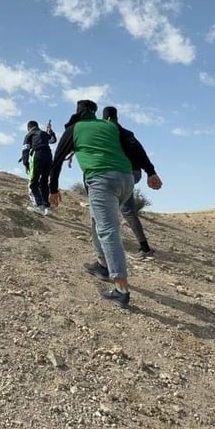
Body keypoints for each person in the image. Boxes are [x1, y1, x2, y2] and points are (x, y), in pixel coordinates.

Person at [48, 100, 137, 309]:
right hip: (127, 179)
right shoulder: (109, 126)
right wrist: (150, 171)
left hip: (102, 179)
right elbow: (134, 145)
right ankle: (102, 266)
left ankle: (121, 289)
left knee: (107, 230)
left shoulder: (75, 128)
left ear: (77, 113)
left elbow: (57, 158)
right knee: (98, 221)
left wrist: (53, 189)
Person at [102, 106, 162, 260]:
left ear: (106, 118)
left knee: (121, 208)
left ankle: (144, 248)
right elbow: (140, 151)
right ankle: (143, 247)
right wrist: (151, 172)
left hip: (121, 172)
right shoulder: (127, 133)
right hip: (135, 173)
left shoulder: (107, 132)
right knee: (123, 207)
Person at [21, 120, 57, 215]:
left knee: (33, 183)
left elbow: (25, 149)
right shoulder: (44, 134)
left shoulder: (29, 134)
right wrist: (50, 131)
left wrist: (26, 163)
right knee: (44, 183)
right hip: (49, 156)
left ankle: (38, 206)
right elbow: (53, 140)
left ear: (29, 128)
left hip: (38, 155)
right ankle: (47, 207)